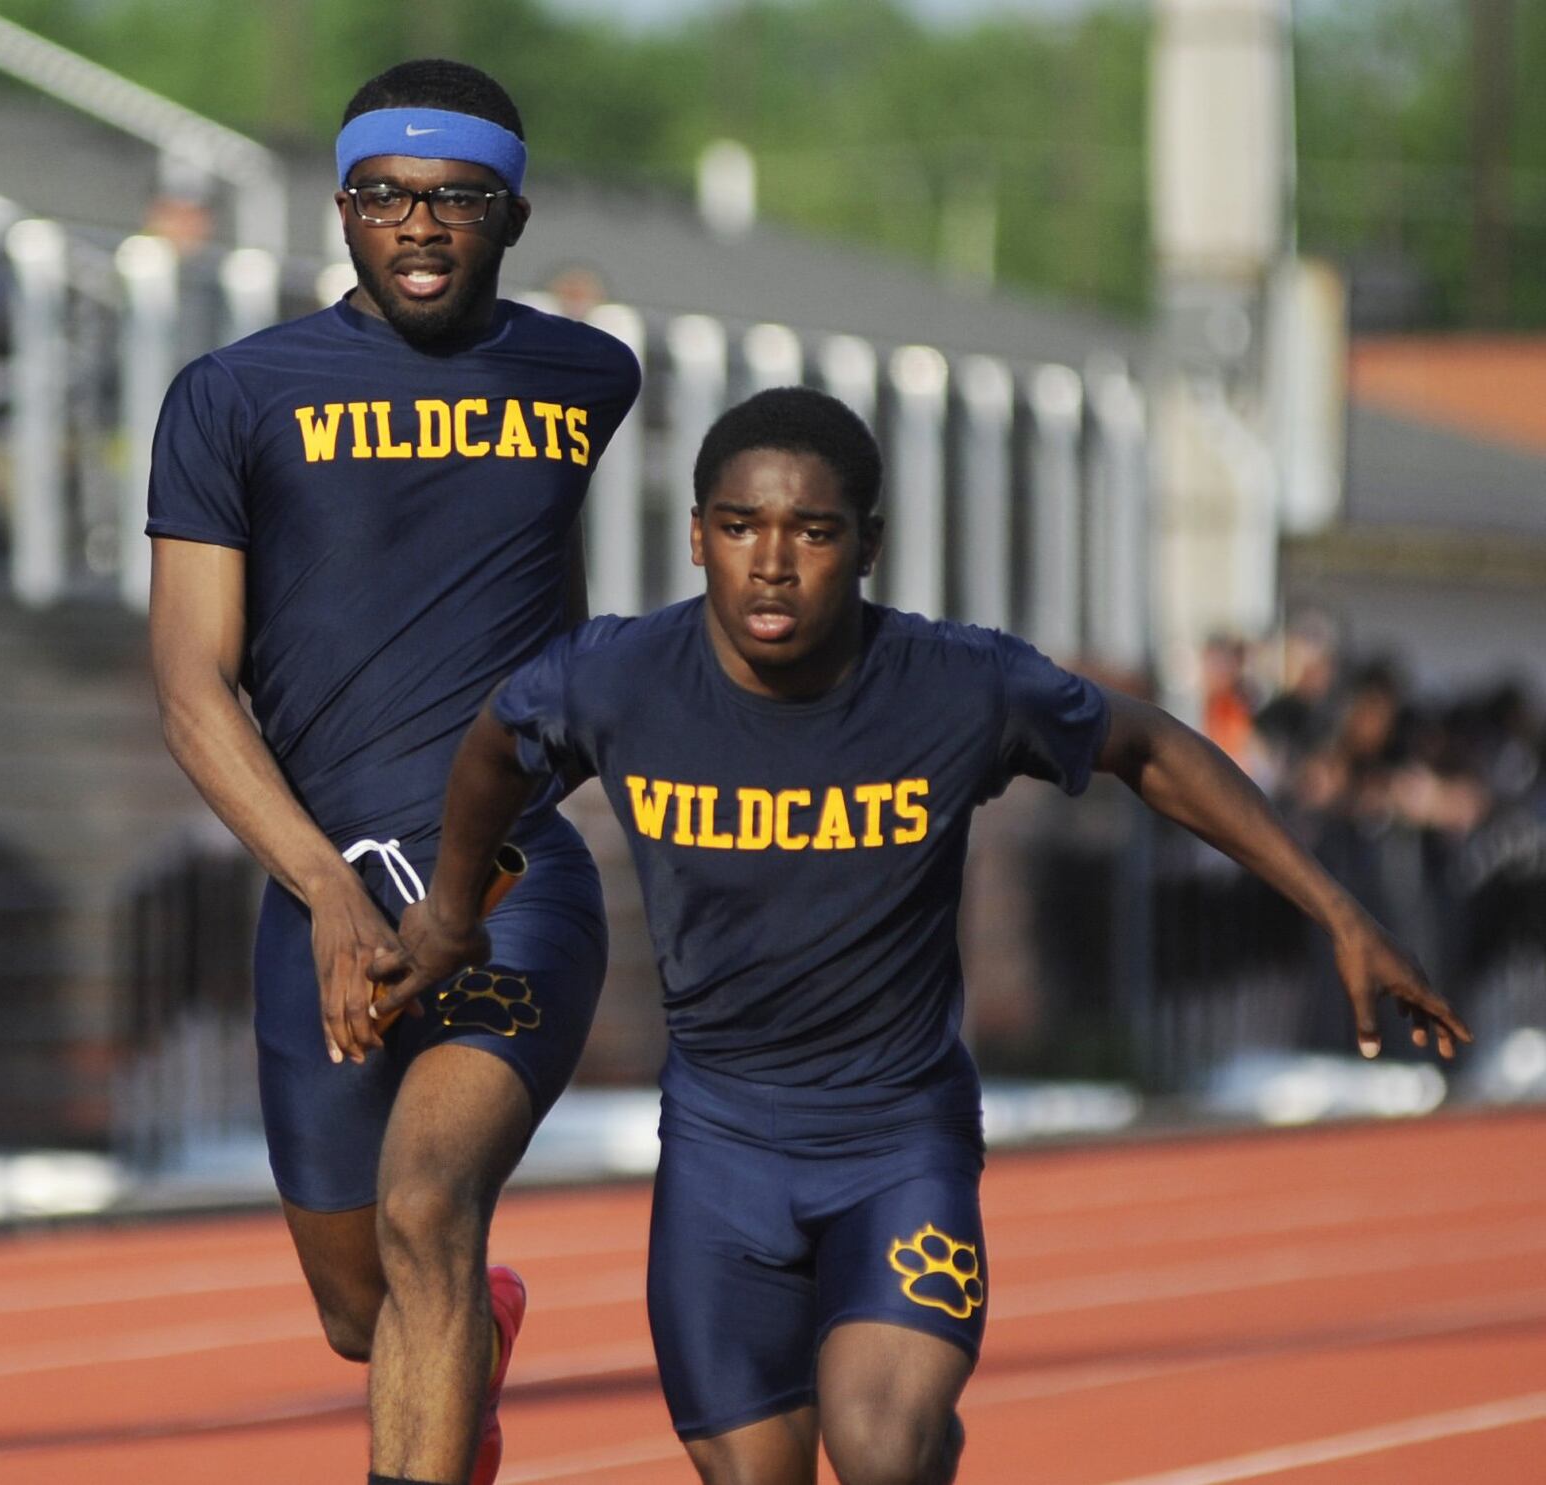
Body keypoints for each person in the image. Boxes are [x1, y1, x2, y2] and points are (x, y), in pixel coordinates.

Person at [374, 387, 1471, 1485]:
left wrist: (1338, 910)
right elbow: (494, 747)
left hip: (897, 1146)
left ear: (867, 548)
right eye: (741, 527)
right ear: (698, 536)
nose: (771, 561)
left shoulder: (956, 684)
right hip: (719, 1150)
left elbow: (1148, 749)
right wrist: (452, 910)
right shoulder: (617, 676)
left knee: (878, 1445)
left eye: (811, 531)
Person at [146, 59, 640, 1485]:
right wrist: (321, 889)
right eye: (384, 195)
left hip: (509, 879)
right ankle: (468, 1339)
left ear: (514, 213)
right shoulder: (235, 393)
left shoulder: (584, 375)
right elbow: (190, 684)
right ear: (342, 208)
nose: (418, 225)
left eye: (456, 198)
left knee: (429, 1204)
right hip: (321, 887)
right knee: (364, 1313)